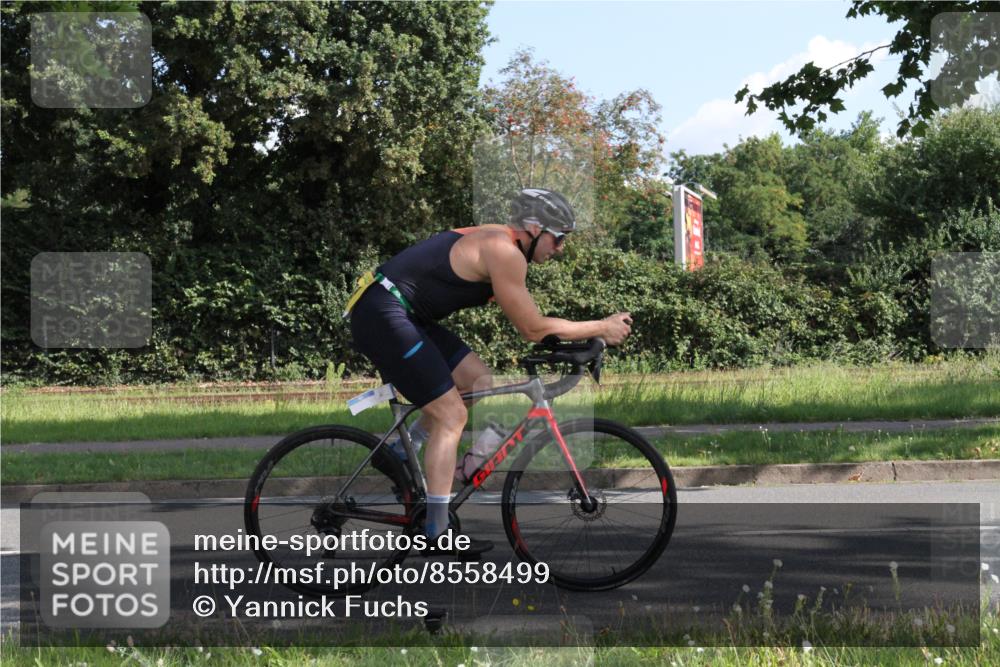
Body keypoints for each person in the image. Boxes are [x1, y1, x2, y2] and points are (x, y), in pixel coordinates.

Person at [346, 188, 633, 556]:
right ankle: (435, 531)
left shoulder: (501, 242)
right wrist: (600, 328)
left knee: (479, 379)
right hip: (385, 314)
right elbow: (533, 328)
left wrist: (573, 344)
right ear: (533, 228)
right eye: (558, 238)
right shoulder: (504, 252)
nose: (560, 248)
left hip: (404, 313)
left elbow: (533, 320)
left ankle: (406, 453)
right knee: (451, 415)